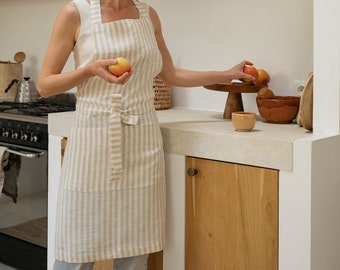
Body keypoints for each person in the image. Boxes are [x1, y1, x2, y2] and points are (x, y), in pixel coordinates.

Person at [38, 0, 255, 269]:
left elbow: (171, 73)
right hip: (92, 138)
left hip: (142, 137)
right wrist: (88, 70)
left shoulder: (148, 14)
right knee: (78, 242)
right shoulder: (75, 12)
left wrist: (225, 74)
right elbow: (45, 84)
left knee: (136, 244)